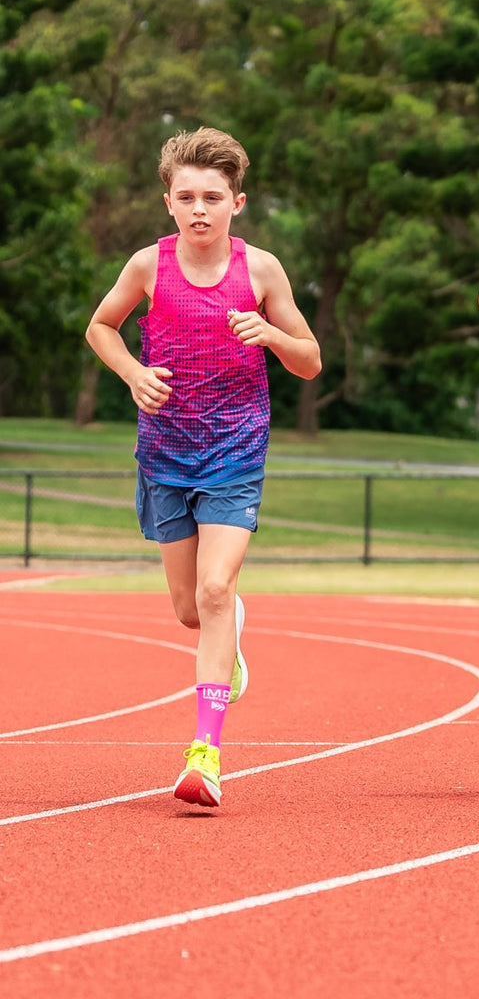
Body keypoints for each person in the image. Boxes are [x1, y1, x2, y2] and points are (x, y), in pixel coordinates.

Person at [86, 127, 321, 808]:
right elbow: (101, 327)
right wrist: (131, 373)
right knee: (192, 610)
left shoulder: (263, 271)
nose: (199, 210)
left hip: (235, 455)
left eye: (212, 198)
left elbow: (309, 360)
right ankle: (230, 638)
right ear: (168, 203)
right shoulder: (145, 267)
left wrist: (272, 333)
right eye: (186, 197)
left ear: (236, 203)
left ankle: (205, 754)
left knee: (216, 591)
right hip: (164, 456)